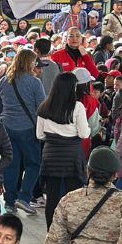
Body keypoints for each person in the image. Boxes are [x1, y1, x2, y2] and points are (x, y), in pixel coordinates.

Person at [36, 70, 91, 227]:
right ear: (72, 88)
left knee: (52, 198)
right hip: (71, 156)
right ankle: (70, 231)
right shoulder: (77, 107)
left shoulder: (44, 107)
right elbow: (84, 133)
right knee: (73, 196)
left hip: (51, 156)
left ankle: (51, 232)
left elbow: (40, 135)